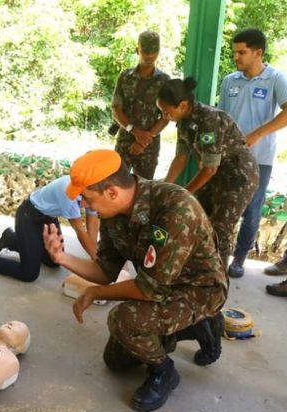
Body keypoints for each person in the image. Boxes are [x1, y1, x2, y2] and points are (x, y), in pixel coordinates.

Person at [43, 149, 227, 412]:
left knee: (123, 320)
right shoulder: (112, 213)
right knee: (116, 361)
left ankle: (164, 372)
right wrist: (61, 258)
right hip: (160, 286)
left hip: (198, 290)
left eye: (86, 197)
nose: (84, 205)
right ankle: (195, 327)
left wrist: (94, 292)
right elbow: (106, 270)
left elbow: (148, 289)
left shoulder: (175, 209)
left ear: (112, 192)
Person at [157, 77, 259, 268]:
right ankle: (196, 270)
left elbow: (209, 168)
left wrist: (184, 193)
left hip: (237, 177)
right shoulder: (184, 121)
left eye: (166, 112)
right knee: (197, 217)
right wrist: (166, 187)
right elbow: (180, 158)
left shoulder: (209, 120)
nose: (164, 116)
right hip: (215, 176)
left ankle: (216, 285)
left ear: (182, 105)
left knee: (220, 229)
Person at [217, 28, 287, 278]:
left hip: (260, 159)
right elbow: (221, 118)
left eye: (241, 52)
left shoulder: (276, 79)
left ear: (258, 52)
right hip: (229, 158)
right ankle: (216, 256)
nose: (236, 56)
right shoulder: (229, 81)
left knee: (251, 209)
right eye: (234, 52)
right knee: (223, 207)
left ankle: (239, 259)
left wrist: (258, 134)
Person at [0, 175, 99, 282]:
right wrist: (99, 265)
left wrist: (95, 257)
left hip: (48, 218)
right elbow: (80, 231)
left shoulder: (92, 191)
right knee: (29, 273)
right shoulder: (68, 193)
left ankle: (12, 240)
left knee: (54, 259)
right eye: (85, 201)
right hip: (29, 217)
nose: (87, 206)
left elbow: (92, 223)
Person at [111, 30, 169, 179]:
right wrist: (135, 131)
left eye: (153, 51)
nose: (149, 56)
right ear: (138, 50)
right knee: (117, 183)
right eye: (145, 51)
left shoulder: (164, 81)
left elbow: (166, 116)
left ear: (158, 52)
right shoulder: (125, 77)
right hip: (125, 141)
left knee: (143, 189)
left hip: (149, 146)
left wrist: (143, 142)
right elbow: (116, 108)